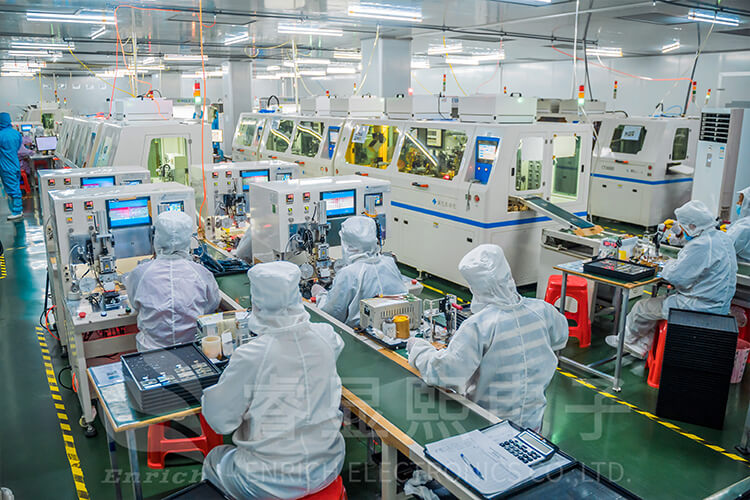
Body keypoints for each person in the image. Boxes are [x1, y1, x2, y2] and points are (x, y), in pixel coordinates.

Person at [202, 261, 345, 499]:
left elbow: (221, 422)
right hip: (327, 468)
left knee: (214, 458)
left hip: (267, 482)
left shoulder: (251, 356)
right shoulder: (325, 337)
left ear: (256, 302)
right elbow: (330, 348)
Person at [407, 244, 568, 430]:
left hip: (488, 422)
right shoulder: (543, 310)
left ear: (475, 286)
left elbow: (447, 373)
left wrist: (419, 349)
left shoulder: (479, 325)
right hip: (532, 424)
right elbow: (560, 339)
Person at [606, 200, 737, 358]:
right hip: (717, 304)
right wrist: (679, 231)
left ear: (693, 226)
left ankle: (625, 341)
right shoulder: (720, 237)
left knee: (642, 308)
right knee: (658, 308)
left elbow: (677, 278)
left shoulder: (701, 245)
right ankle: (642, 346)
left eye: (684, 226)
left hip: (698, 307)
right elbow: (690, 243)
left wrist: (667, 264)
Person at [126, 210, 220, 351]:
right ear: (188, 239)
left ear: (156, 238)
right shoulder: (201, 274)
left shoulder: (140, 274)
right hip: (193, 351)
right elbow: (212, 305)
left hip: (151, 353)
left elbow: (135, 305)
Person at [314, 216, 406, 327]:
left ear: (347, 244)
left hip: (362, 332)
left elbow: (332, 313)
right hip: (398, 324)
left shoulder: (348, 274)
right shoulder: (389, 262)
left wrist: (320, 295)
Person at [0, 112, 23, 221]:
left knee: (12, 189)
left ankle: (17, 211)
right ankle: (18, 208)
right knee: (16, 186)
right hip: (15, 163)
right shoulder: (16, 133)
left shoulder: (1, 135)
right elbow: (18, 148)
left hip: (6, 166)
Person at [728, 186, 750, 262]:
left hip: (741, 265)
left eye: (740, 200)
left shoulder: (744, 226)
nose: (738, 203)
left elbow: (726, 246)